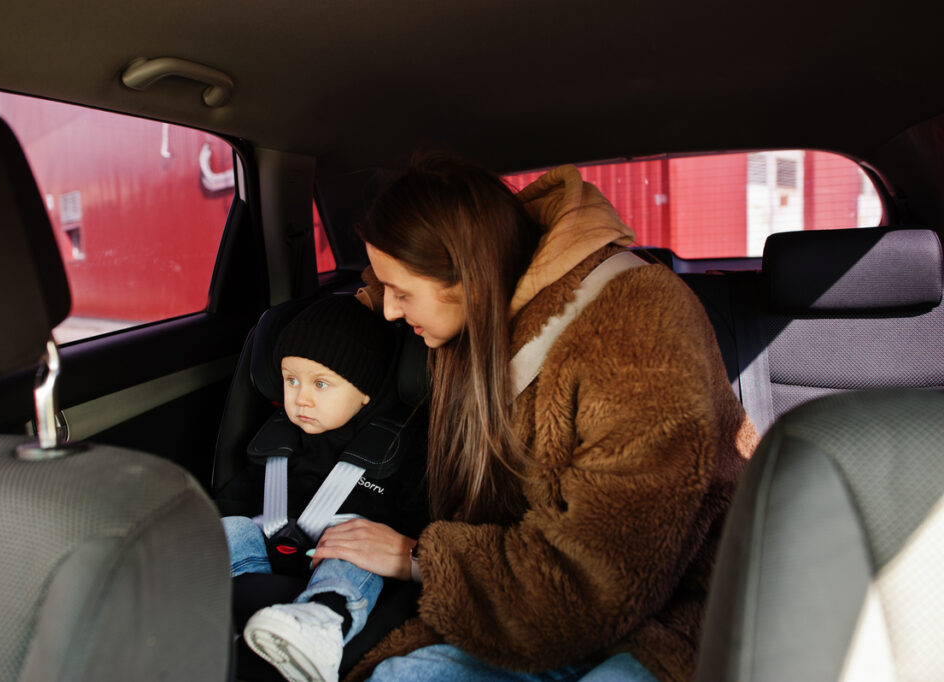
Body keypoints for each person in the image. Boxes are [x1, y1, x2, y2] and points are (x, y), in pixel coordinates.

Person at [305, 155, 759, 682]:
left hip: (677, 616)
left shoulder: (636, 333)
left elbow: (601, 582)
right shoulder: (482, 314)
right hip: (536, 606)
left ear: (470, 277)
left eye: (402, 294)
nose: (388, 310)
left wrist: (418, 557)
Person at [215, 294, 428, 682]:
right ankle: (196, 597)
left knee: (354, 554)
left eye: (321, 383)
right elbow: (239, 495)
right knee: (228, 526)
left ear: (364, 390)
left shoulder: (398, 449)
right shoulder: (276, 438)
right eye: (291, 380)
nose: (301, 398)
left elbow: (418, 522)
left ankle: (320, 624)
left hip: (340, 566)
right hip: (261, 559)